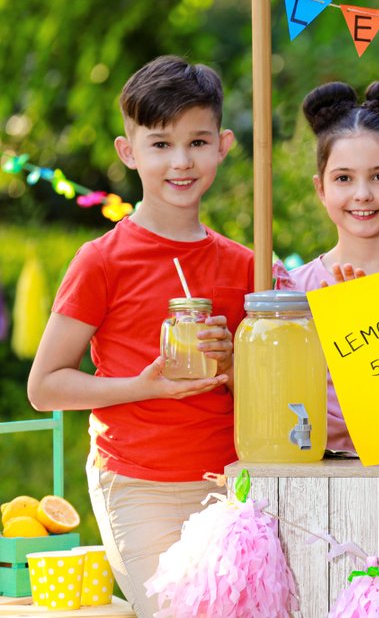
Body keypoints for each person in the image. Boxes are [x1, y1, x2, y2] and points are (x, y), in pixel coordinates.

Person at [27, 55, 254, 617]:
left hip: (231, 484)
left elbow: (275, 391)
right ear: (129, 152)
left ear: (223, 146)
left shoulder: (247, 265)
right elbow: (45, 385)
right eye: (160, 144)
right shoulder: (101, 261)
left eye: (198, 142)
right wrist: (145, 385)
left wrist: (236, 367)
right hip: (136, 483)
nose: (181, 161)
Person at [275, 80, 379, 453]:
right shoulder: (293, 290)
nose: (362, 194)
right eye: (344, 178)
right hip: (317, 479)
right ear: (320, 189)